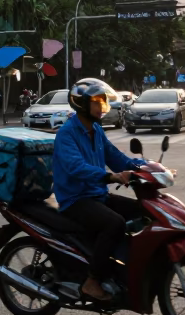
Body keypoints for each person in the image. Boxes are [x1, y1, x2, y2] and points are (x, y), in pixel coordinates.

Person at [53, 78, 149, 302]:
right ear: (82, 104)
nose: (101, 106)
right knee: (114, 223)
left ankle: (123, 264)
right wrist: (110, 176)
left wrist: (147, 167)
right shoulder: (67, 133)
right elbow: (76, 167)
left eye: (102, 101)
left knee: (143, 210)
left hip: (97, 195)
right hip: (75, 199)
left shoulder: (96, 130)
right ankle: (92, 280)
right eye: (96, 102)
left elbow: (116, 157)